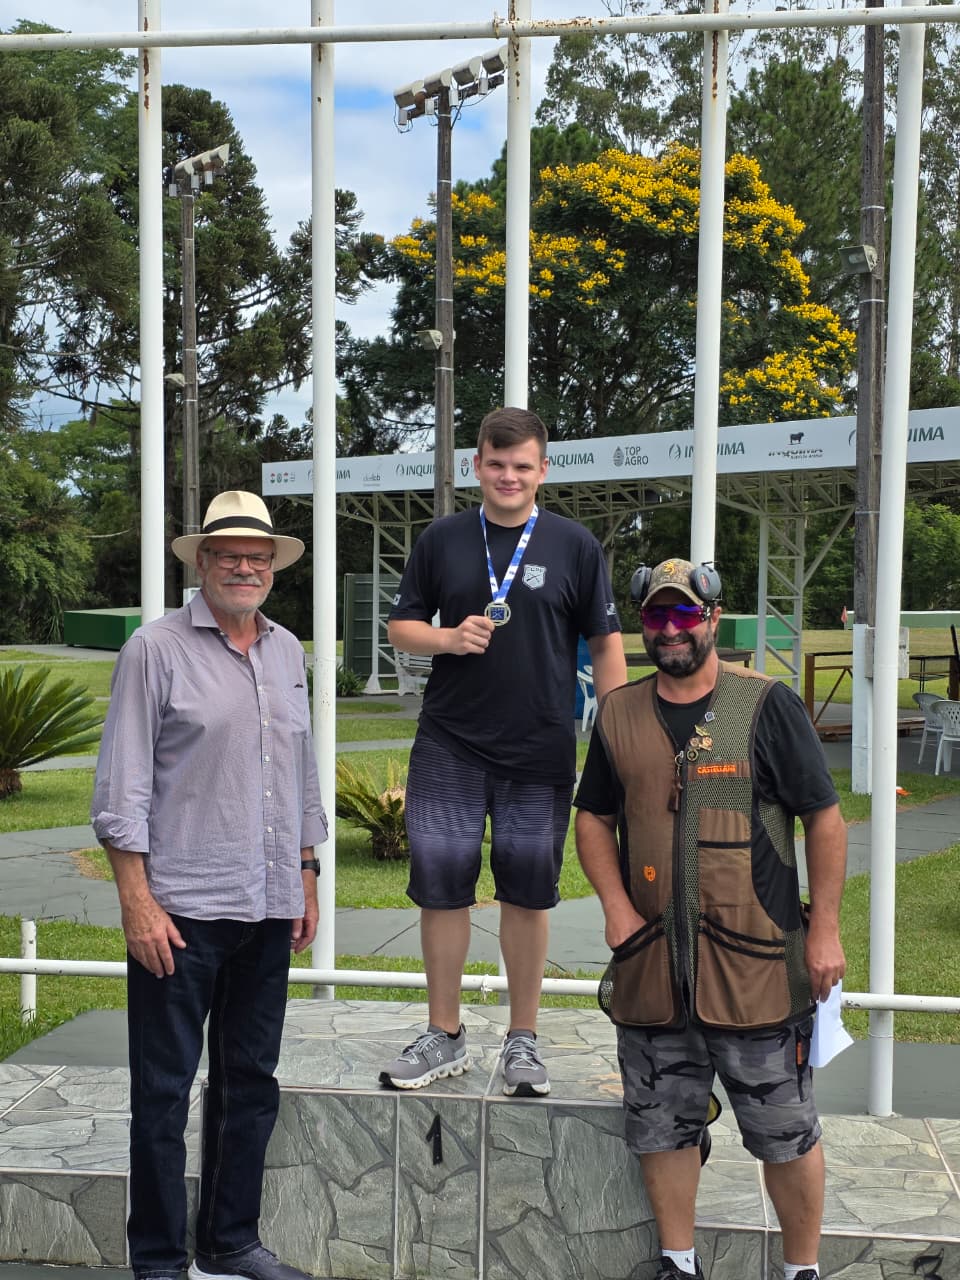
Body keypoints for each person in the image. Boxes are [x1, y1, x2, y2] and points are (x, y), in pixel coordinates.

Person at [574, 557, 846, 1280]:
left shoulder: (766, 704)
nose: (670, 630)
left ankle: (801, 1269)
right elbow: (593, 817)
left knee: (785, 1131)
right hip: (652, 968)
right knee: (662, 1125)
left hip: (757, 969)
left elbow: (824, 818)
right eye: (656, 615)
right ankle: (678, 1261)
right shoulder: (618, 712)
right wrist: (617, 909)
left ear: (713, 620)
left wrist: (824, 930)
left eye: (684, 614)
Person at [91, 491, 327, 1280]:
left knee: (250, 1082)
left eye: (258, 557)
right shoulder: (153, 650)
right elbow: (121, 788)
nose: (244, 568)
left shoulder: (287, 651)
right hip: (180, 910)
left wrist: (306, 874)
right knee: (163, 1093)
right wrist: (136, 902)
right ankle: (160, 1261)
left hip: (268, 902)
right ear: (201, 562)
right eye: (229, 555)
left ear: (274, 568)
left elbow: (299, 772)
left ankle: (230, 1244)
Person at [380, 406, 627, 1097]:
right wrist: (447, 639)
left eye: (522, 466)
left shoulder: (575, 545)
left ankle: (524, 1039)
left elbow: (606, 644)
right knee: (442, 890)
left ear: (543, 470)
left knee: (527, 893)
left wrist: (619, 735)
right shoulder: (443, 539)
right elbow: (401, 626)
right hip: (450, 744)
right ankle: (444, 1033)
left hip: (538, 749)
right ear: (477, 466)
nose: (508, 476)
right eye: (496, 464)